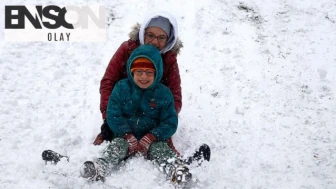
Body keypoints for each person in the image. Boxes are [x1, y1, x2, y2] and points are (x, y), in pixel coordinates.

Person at [80, 45, 192, 185]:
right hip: (125, 137)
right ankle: (99, 167)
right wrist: (126, 134)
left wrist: (153, 136)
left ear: (157, 73)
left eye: (149, 72)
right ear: (131, 71)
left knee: (161, 150)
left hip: (152, 140)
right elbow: (113, 114)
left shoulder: (164, 94)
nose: (144, 77)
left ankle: (176, 169)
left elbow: (170, 121)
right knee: (117, 146)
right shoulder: (121, 88)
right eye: (139, 71)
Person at [93, 12, 183, 156]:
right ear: (142, 33)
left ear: (169, 40)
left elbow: (175, 95)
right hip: (125, 105)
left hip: (152, 110)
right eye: (150, 35)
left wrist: (163, 127)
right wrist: (109, 118)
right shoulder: (127, 49)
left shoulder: (169, 58)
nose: (154, 42)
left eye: (161, 37)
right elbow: (108, 82)